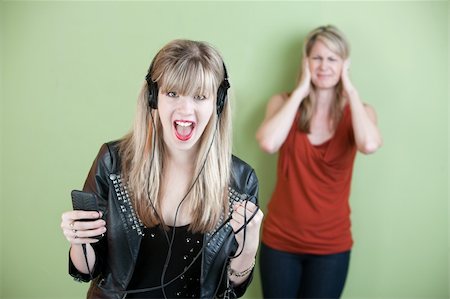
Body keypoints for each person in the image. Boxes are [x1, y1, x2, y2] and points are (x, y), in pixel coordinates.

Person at [60, 39, 263, 299]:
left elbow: (232, 288)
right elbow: (87, 269)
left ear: (218, 103)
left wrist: (248, 248)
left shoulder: (241, 180)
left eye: (200, 97)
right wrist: (79, 239)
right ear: (153, 98)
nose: (185, 109)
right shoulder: (113, 162)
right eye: (173, 93)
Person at [256, 25, 382, 299]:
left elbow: (369, 144)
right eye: (317, 58)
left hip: (331, 248)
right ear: (306, 61)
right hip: (280, 242)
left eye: (332, 59)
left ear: (344, 65)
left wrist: (350, 90)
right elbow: (268, 143)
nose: (324, 66)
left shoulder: (360, 112)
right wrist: (301, 91)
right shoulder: (282, 103)